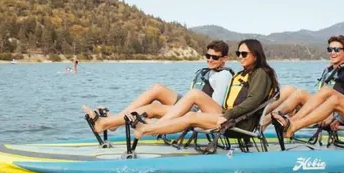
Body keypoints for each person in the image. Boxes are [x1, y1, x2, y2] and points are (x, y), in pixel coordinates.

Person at [133, 39, 279, 139]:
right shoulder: (246, 73)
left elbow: (253, 101)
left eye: (244, 54)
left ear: (256, 55)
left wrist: (229, 115)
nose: (240, 57)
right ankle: (156, 126)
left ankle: (149, 129)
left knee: (191, 116)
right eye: (238, 54)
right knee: (194, 95)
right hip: (229, 115)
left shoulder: (260, 73)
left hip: (239, 123)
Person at [83, 40, 233, 133]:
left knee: (153, 108)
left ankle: (148, 127)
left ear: (225, 58)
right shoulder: (208, 72)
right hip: (192, 105)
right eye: (208, 56)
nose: (210, 60)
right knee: (157, 88)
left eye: (215, 57)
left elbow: (216, 105)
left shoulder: (223, 75)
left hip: (205, 111)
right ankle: (114, 122)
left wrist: (189, 113)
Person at [260, 35, 344, 127]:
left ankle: (267, 121)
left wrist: (338, 119)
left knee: (301, 93)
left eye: (337, 49)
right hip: (318, 107)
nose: (332, 52)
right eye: (330, 49)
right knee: (288, 90)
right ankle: (261, 115)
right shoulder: (329, 70)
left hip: (331, 112)